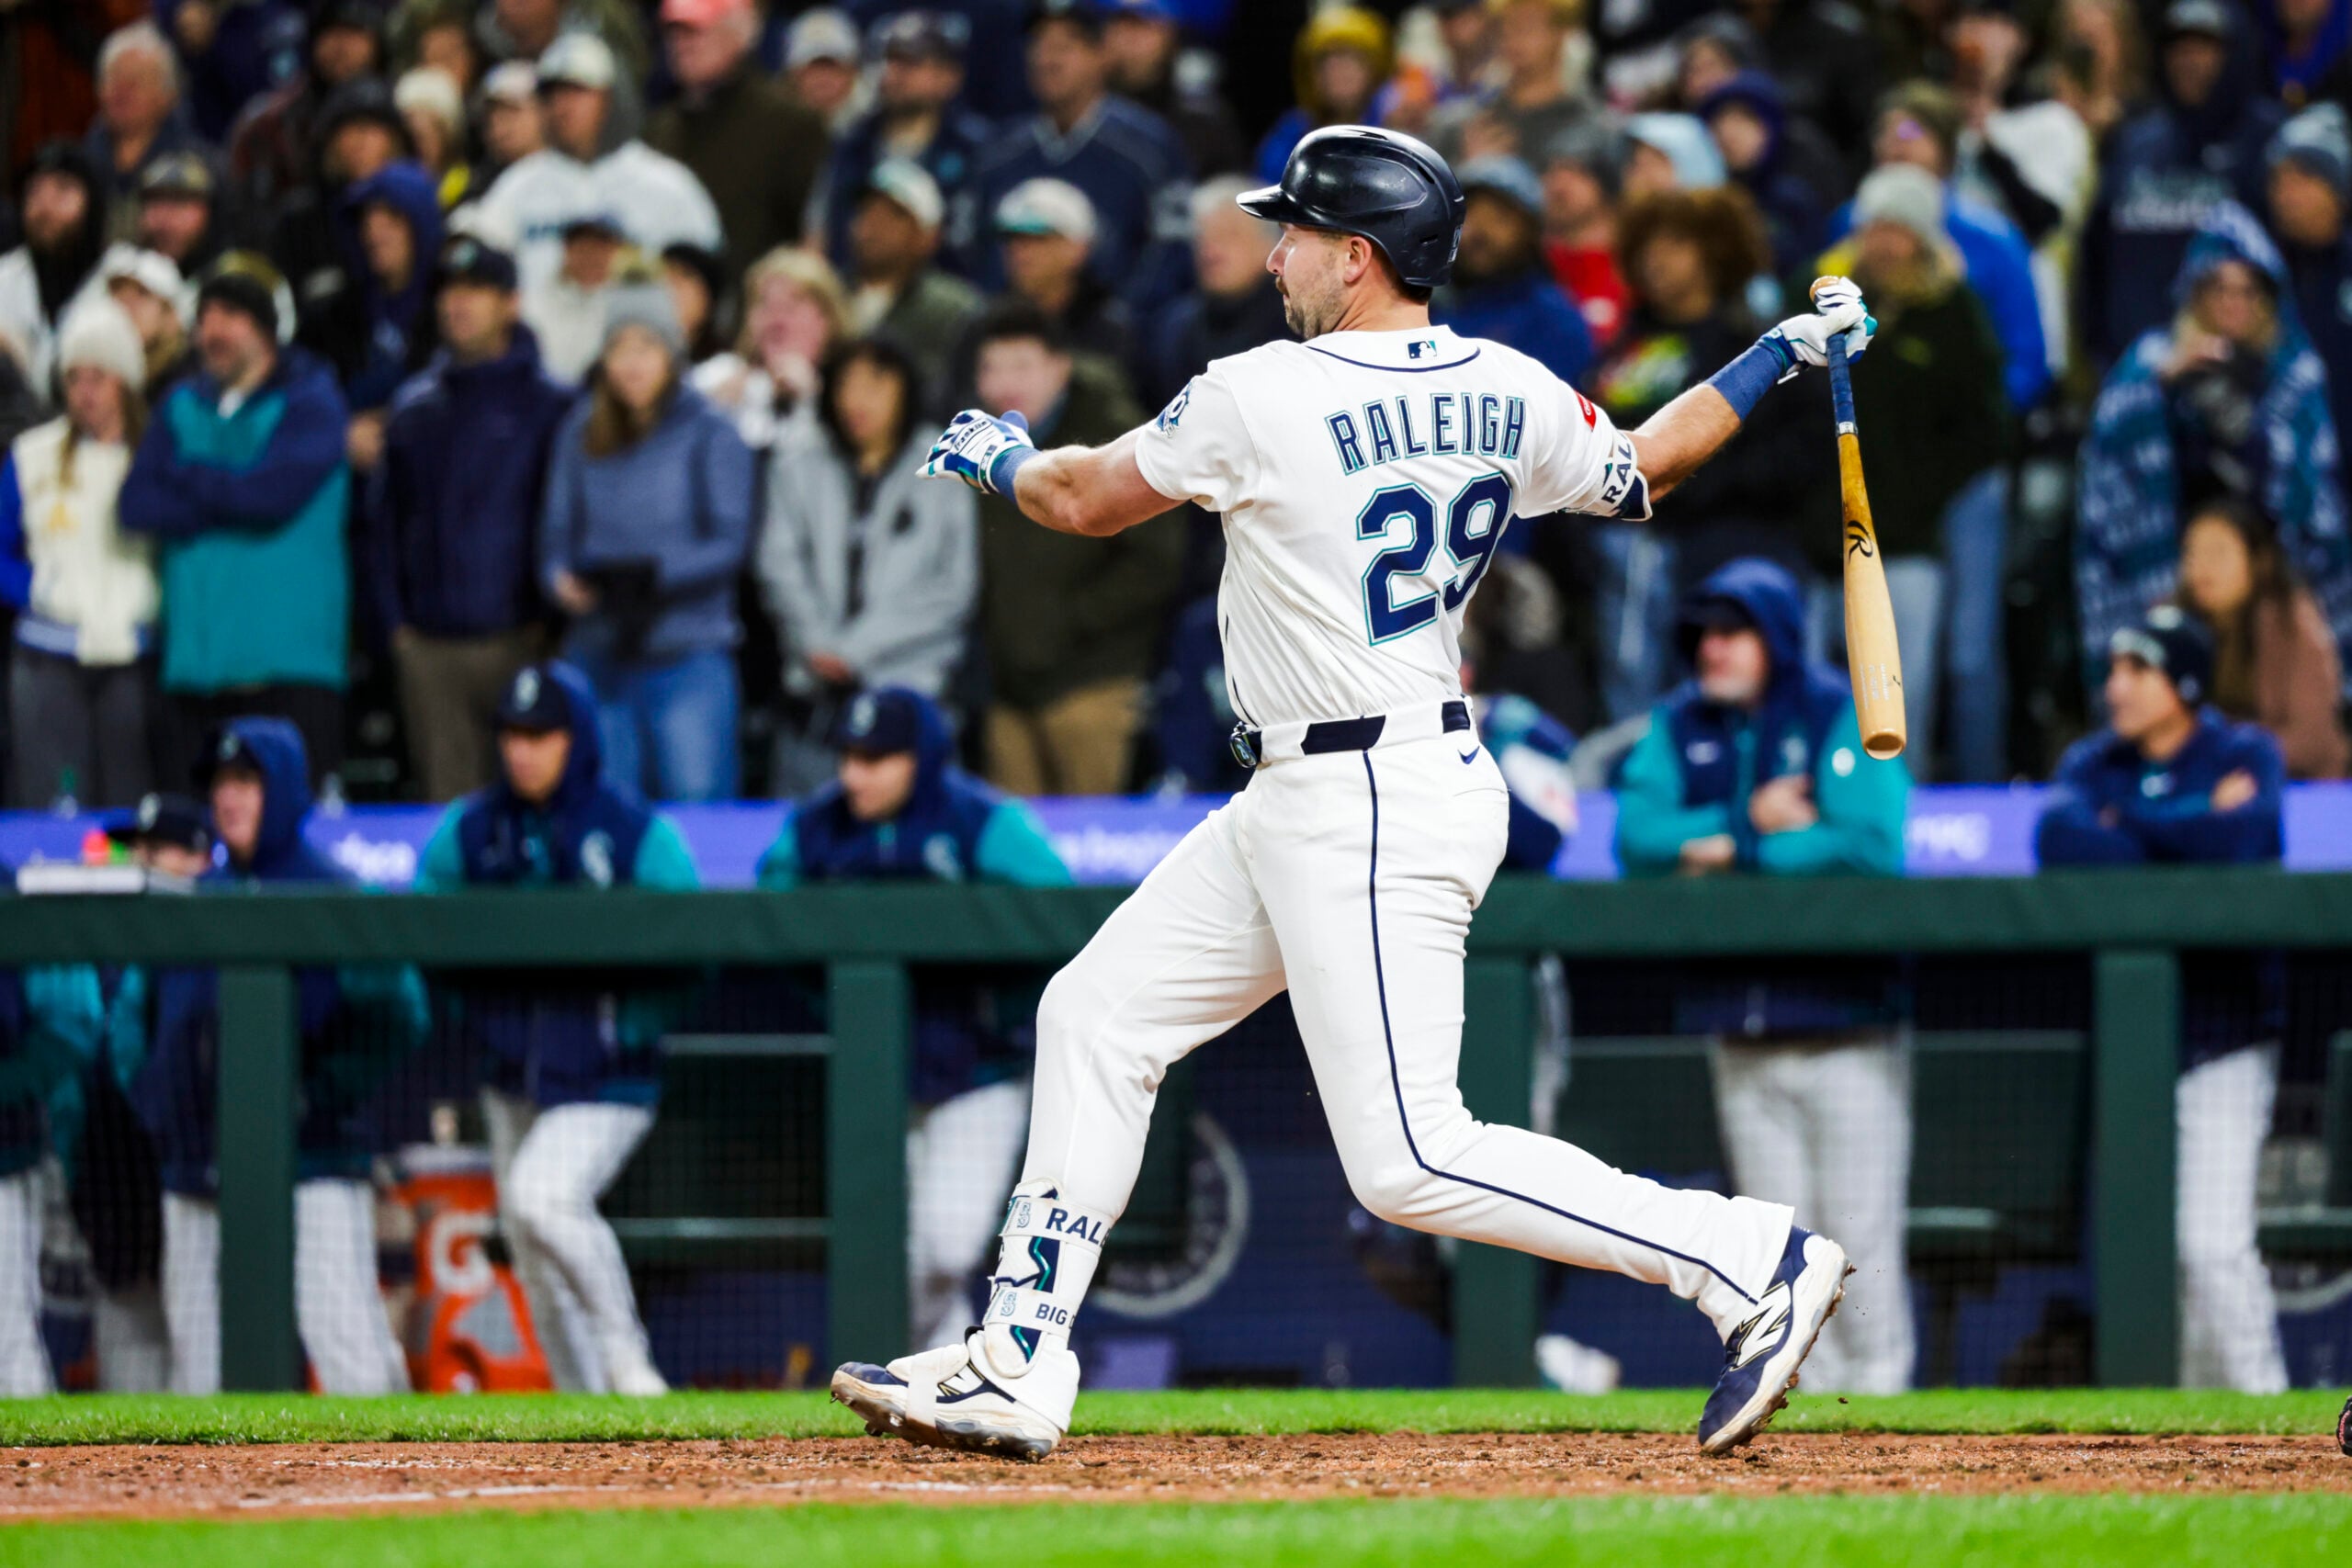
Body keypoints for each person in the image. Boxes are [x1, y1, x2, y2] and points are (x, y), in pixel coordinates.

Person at [833, 124, 1876, 1460]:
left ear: (1361, 254)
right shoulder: (1508, 382)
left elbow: (1088, 499)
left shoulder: (1261, 389)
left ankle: (1746, 1256)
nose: (1278, 254)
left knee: (1410, 1158)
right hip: (1326, 786)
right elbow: (1651, 468)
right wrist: (1777, 352)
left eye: (1299, 234)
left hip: (1367, 796)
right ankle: (1017, 1357)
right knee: (1094, 1013)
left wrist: (996, 456)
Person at [1614, 560, 1915, 1394]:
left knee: (1864, 1246)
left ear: (1776, 636)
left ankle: (1886, 1419)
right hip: (1739, 1030)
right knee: (1780, 1255)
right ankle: (1807, 1423)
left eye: (1734, 630)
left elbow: (1867, 844)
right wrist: (1750, 827)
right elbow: (1636, 838)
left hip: (1846, 1024)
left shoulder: (1834, 708)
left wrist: (1719, 855)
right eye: (1704, 632)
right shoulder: (1679, 724)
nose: (1713, 648)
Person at [413, 660, 701, 1394]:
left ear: (575, 738)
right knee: (531, 1247)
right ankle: (582, 1409)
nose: (523, 750)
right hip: (512, 1075)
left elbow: (695, 943)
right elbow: (418, 929)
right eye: (513, 733)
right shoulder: (474, 828)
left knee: (543, 1197)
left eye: (541, 734)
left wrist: (626, 1025)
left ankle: (626, 1358)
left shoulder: (632, 830)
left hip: (607, 1076)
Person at [757, 686, 1070, 1352]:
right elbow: (770, 921)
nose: (854, 774)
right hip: (873, 1077)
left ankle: (908, 1367)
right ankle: (947, 1369)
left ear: (919, 758)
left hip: (978, 1070)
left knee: (944, 1249)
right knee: (884, 1251)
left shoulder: (982, 821)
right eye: (848, 755)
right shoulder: (817, 827)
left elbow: (1060, 919)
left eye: (876, 758)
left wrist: (998, 1004)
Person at [127, 717, 425, 1394]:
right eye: (221, 783)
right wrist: (162, 1103)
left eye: (247, 781)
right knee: (196, 1365)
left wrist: (321, 1091)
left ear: (283, 788)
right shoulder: (196, 900)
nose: (229, 798)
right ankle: (209, 1503)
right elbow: (134, 1019)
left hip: (310, 1158)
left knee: (343, 1339)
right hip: (196, 1161)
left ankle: (395, 1490)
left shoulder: (334, 892)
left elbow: (399, 1014)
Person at [2035, 608, 2290, 1393]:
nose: (2116, 686)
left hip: (2225, 1035)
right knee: (2153, 1258)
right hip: (2131, 1046)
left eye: (2136, 670)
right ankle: (2195, 1443)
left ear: (2181, 681)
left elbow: (2244, 839)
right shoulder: (2092, 760)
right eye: (2112, 670)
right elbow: (2062, 840)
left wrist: (2133, 826)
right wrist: (2189, 820)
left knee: (2214, 1246)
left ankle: (2272, 1412)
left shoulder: (2243, 749)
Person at [2077, 203, 2352, 700]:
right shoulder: (2153, 360)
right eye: (2219, 288)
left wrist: (2250, 428)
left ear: (2268, 298)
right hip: (2170, 569)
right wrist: (2161, 387)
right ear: (2195, 293)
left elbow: (2311, 495)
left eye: (2247, 290)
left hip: (2271, 574)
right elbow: (2110, 460)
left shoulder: (2294, 371)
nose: (2232, 303)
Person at [1807, 164, 2009, 783]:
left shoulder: (1953, 314)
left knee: (1904, 692)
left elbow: (1985, 429)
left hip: (1909, 540)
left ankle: (1899, 813)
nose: (1885, 244)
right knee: (1816, 687)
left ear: (1922, 237)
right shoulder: (1818, 300)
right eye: (1875, 228)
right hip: (1820, 542)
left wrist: (1922, 496)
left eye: (1899, 230)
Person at [119, 253, 351, 791]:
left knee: (293, 845)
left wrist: (187, 475)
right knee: (188, 850)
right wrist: (228, 492)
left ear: (267, 330)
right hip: (193, 671)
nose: (212, 331)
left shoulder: (313, 400)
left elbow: (269, 498)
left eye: (231, 316)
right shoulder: (180, 402)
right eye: (205, 318)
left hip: (288, 666)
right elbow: (137, 505)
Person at [1586, 186, 1815, 723]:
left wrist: (1701, 483)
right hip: (1629, 555)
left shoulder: (1752, 345)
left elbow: (1798, 448)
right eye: (1646, 246)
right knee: (1633, 698)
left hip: (1732, 547)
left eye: (1676, 244)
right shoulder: (1626, 346)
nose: (1656, 260)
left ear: (1716, 250)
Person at [540, 272, 756, 802]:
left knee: (696, 804)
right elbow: (555, 534)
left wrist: (651, 579)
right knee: (607, 806)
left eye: (647, 345)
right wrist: (560, 581)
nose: (632, 362)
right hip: (598, 652)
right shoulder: (579, 430)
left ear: (672, 353)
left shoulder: (711, 430)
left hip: (687, 654)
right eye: (619, 346)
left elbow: (731, 540)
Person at [373, 236, 572, 802]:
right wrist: (398, 630)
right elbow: (384, 528)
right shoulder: (414, 409)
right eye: (450, 291)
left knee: (537, 802)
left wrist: (548, 625)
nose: (458, 304)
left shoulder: (553, 404)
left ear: (512, 303)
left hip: (522, 640)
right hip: (431, 650)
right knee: (450, 814)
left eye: (477, 291)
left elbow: (564, 517)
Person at [967, 303, 1180, 796]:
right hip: (1007, 688)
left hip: (1094, 681)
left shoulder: (1119, 433)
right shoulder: (977, 448)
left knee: (1093, 852)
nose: (1004, 383)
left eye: (1021, 365)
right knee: (1016, 859)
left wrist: (1070, 619)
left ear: (1060, 366)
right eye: (989, 367)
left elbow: (1156, 558)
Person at [761, 338, 979, 795]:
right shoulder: (798, 460)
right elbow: (778, 563)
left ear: (906, 390)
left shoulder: (947, 466)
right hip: (812, 699)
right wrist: (818, 643)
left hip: (913, 696)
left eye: (876, 383)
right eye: (846, 384)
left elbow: (953, 588)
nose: (858, 400)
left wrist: (855, 650)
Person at [0, 298, 158, 810]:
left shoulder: (156, 455)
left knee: (127, 817)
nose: (85, 393)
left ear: (125, 380)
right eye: (73, 378)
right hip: (48, 656)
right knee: (53, 809)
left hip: (133, 657)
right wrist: (39, 590)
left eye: (99, 377)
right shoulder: (31, 456)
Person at [2080, 0, 2286, 374]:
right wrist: (2101, 355)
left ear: (2236, 54)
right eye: (2179, 48)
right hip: (2136, 375)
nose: (2189, 60)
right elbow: (2095, 255)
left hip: (2241, 381)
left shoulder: (2269, 140)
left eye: (2205, 48)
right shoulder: (2135, 141)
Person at [965, 0, 1193, 313]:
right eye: (1039, 44)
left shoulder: (1150, 149)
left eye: (1066, 45)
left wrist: (1117, 320)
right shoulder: (997, 152)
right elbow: (969, 249)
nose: (1048, 59)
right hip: (1007, 330)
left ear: (1103, 55)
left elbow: (1173, 249)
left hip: (1112, 342)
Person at [469, 33, 723, 299]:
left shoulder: (667, 185)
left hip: (635, 336)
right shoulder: (517, 186)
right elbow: (480, 280)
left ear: (610, 98)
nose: (562, 106)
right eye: (552, 94)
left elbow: (704, 283)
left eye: (578, 91)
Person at [1853, 81, 2051, 414]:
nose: (1895, 144)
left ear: (1945, 147)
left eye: (1911, 130)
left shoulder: (1991, 237)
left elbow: (2026, 356)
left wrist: (1982, 420)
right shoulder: (1848, 228)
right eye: (1885, 132)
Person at [0, 872, 104, 1397]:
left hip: (4, 1162)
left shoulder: (15, 899)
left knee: (5, 1336)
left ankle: (24, 1474)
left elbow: (73, 1020)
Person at [647, 0, 827, 288]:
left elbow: (811, 239)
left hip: (755, 310)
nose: (681, 44)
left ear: (740, 34)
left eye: (695, 31)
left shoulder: (789, 124)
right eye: (674, 33)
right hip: (671, 309)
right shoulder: (659, 129)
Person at [2176, 495, 2350, 776]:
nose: (2202, 567)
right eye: (2192, 552)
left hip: (2294, 787)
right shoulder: (2173, 623)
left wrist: (2232, 763)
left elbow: (2313, 738)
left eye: (2217, 552)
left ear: (2256, 559)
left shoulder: (2288, 621)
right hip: (2199, 787)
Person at [819, 11, 996, 281]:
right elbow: (824, 231)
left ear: (948, 76)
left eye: (911, 63)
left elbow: (980, 245)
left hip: (949, 297)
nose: (894, 74)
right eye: (889, 60)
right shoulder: (852, 144)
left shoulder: (977, 149)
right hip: (859, 288)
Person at [302, 160, 445, 468]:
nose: (374, 233)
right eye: (366, 220)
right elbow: (302, 399)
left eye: (392, 219)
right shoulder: (332, 312)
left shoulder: (449, 308)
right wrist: (339, 432)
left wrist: (390, 425)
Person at [1434, 156, 1594, 386]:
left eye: (1498, 218)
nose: (1479, 232)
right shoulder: (1433, 311)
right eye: (1469, 218)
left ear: (1530, 231)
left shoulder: (1553, 320)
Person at [842, 161, 986, 413]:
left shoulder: (955, 309)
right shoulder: (829, 292)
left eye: (894, 214)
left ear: (928, 236)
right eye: (867, 210)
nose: (874, 223)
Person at [225, 0, 383, 220]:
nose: (341, 47)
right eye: (330, 33)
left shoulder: (403, 110)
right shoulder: (271, 123)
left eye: (353, 34)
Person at [694, 246, 851, 455]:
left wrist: (809, 400)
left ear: (827, 320)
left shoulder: (849, 389)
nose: (776, 319)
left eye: (791, 306)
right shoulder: (718, 375)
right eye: (765, 304)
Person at [989, 178, 1138, 388]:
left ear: (1078, 248)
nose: (1021, 251)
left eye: (1039, 239)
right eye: (1013, 239)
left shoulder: (1111, 332)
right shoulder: (984, 324)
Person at [2269, 104, 2352, 473]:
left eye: (2303, 179)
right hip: (2287, 471)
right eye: (2278, 180)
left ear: (2338, 190)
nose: (2285, 195)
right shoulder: (2261, 275)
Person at [86, 20, 219, 243]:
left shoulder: (204, 168)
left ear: (169, 94)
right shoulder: (78, 169)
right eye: (113, 79)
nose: (121, 91)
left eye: (135, 82)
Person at [1428, 0, 1598, 169]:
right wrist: (1471, 170)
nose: (1513, 35)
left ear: (1561, 33)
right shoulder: (1460, 127)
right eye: (1505, 25)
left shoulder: (1592, 130)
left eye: (1529, 25)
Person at [0, 141, 106, 406]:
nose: (44, 207)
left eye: (62, 191)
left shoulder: (124, 280)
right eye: (34, 192)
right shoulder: (5, 277)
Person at [1102, 0, 1248, 177]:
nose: (1130, 40)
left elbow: (1227, 191)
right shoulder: (1080, 111)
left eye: (1144, 26)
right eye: (1120, 26)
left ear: (1171, 36)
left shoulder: (1203, 121)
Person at [1256, 6, 1394, 184]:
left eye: (1351, 62)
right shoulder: (1291, 133)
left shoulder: (1391, 129)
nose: (1338, 74)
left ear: (1374, 72)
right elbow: (1266, 184)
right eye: (1327, 64)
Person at [1539, 123, 1631, 353]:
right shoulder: (1533, 264)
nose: (1559, 185)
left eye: (1577, 173)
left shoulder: (1634, 265)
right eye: (1553, 172)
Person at [132, 152, 229, 276]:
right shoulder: (122, 273)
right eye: (154, 204)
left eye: (179, 203)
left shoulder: (228, 277)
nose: (163, 220)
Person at [395, 65, 478, 211]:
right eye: (411, 134)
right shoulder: (390, 190)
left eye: (434, 127)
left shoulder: (472, 187)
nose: (419, 145)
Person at [782, 7, 869, 132]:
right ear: (793, 75)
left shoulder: (873, 129)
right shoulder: (775, 128)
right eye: (813, 69)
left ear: (852, 73)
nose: (823, 80)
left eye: (832, 68)